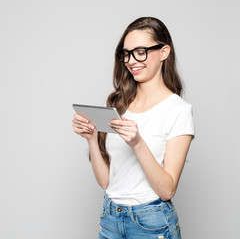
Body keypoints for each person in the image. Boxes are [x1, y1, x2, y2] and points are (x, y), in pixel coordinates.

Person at [72, 17, 194, 239]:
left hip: (151, 223)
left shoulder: (178, 110)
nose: (130, 60)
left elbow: (167, 190)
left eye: (140, 51)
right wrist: (91, 139)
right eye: (126, 53)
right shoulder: (119, 104)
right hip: (110, 218)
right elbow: (107, 183)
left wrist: (137, 143)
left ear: (164, 52)